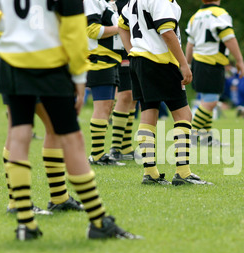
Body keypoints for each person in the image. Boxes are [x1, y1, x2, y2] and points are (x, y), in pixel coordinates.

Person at [0, 0, 140, 240]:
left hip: (9, 57)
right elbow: (75, 32)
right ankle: (98, 221)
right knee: (71, 137)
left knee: (19, 132)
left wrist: (4, 34)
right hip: (48, 60)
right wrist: (78, 77)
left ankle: (26, 221)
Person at [118, 0, 212, 185]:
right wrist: (184, 64)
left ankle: (150, 173)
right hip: (160, 61)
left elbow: (122, 26)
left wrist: (133, 51)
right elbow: (167, 33)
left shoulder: (133, 1)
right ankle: (183, 173)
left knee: (148, 114)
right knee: (183, 113)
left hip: (138, 61)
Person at [185, 0, 244, 147]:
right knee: (210, 102)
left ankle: (206, 138)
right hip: (211, 62)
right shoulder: (220, 14)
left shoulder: (195, 16)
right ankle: (190, 137)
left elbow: (190, 43)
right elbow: (229, 38)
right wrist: (239, 60)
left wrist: (187, 64)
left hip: (198, 63)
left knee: (207, 100)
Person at [84, 0, 125, 166]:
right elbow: (92, 30)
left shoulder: (102, 2)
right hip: (99, 60)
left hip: (110, 60)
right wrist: (120, 28)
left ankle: (99, 154)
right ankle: (97, 155)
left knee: (108, 107)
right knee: (102, 108)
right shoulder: (92, 1)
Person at [109, 0, 141, 161]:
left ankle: (126, 146)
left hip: (136, 49)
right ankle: (115, 147)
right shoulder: (116, 3)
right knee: (125, 95)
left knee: (133, 98)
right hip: (121, 51)